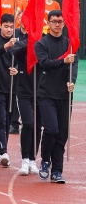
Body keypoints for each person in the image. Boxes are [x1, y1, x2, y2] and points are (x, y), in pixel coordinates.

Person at [34, 10, 77, 183]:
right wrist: (62, 61)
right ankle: (45, 160)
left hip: (65, 95)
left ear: (64, 23)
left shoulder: (70, 44)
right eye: (54, 21)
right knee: (51, 129)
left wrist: (72, 81)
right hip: (46, 94)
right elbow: (44, 63)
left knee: (62, 134)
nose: (57, 24)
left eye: (60, 21)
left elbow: (74, 65)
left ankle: (57, 171)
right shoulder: (41, 44)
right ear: (48, 23)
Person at [9, 16, 41, 176]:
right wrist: (31, 42)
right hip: (24, 90)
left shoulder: (44, 43)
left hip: (41, 91)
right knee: (28, 123)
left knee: (38, 126)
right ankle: (25, 159)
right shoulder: (22, 42)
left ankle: (33, 159)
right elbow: (16, 53)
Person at [0, 13, 18, 167]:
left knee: (8, 120)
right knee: (1, 118)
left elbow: (22, 60)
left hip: (12, 88)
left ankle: (1, 151)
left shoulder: (17, 44)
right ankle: (2, 150)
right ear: (0, 27)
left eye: (11, 27)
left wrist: (16, 69)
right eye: (6, 26)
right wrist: (6, 46)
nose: (9, 29)